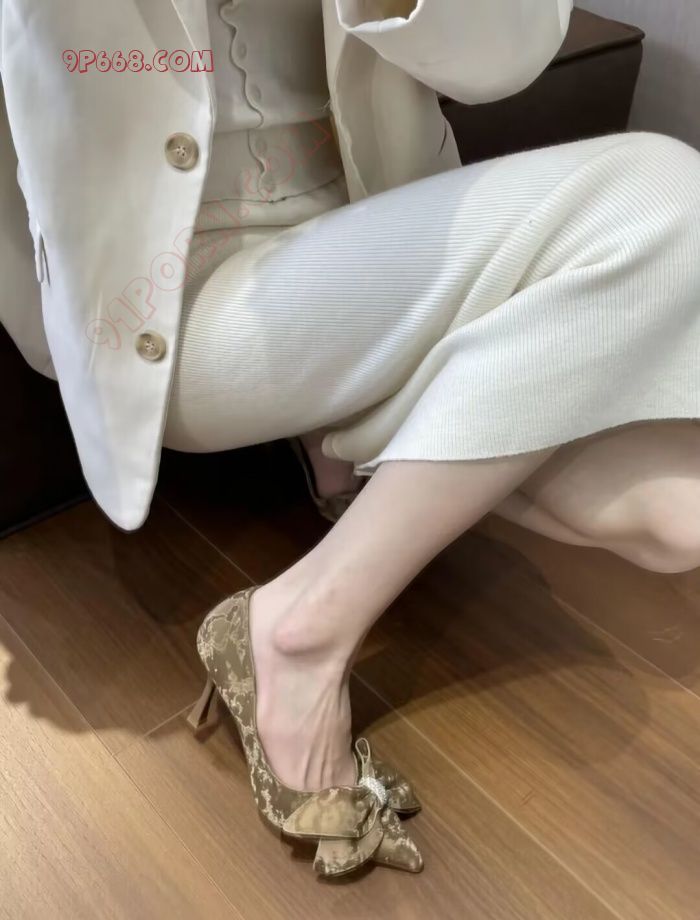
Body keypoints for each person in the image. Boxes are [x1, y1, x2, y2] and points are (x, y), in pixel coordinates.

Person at [2, 0, 700, 877]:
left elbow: (506, 58)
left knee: (677, 520)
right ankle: (298, 632)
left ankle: (344, 437)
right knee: (663, 191)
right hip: (174, 298)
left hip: (382, 230)